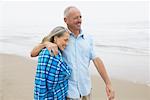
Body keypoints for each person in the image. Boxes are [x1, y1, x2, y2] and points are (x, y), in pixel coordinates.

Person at [31, 6, 115, 100]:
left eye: (80, 17)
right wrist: (46, 44)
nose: (79, 20)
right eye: (75, 18)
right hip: (68, 93)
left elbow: (97, 60)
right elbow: (33, 53)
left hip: (86, 90)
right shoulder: (62, 37)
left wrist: (108, 83)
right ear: (65, 20)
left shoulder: (88, 38)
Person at [34, 26, 71, 100]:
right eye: (65, 40)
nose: (67, 44)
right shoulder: (48, 54)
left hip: (60, 96)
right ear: (55, 38)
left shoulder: (58, 52)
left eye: (68, 41)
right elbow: (41, 82)